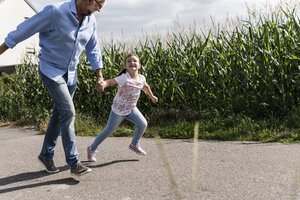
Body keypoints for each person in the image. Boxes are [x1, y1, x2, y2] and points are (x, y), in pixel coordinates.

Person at [0, 0, 107, 176]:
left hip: (71, 73)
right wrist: (4, 47)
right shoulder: (56, 11)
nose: (99, 10)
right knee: (68, 112)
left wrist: (100, 75)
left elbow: (93, 48)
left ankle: (46, 155)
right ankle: (74, 162)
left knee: (59, 113)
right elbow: (27, 27)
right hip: (51, 70)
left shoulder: (90, 21)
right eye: (99, 5)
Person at [87, 53, 158, 162]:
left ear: (139, 65)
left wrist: (152, 96)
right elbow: (110, 82)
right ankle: (92, 148)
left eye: (134, 61)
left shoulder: (141, 78)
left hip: (131, 109)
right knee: (108, 131)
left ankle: (134, 144)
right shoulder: (124, 78)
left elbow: (146, 86)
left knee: (142, 124)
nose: (132, 63)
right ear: (125, 66)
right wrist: (103, 84)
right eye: (129, 61)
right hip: (118, 111)